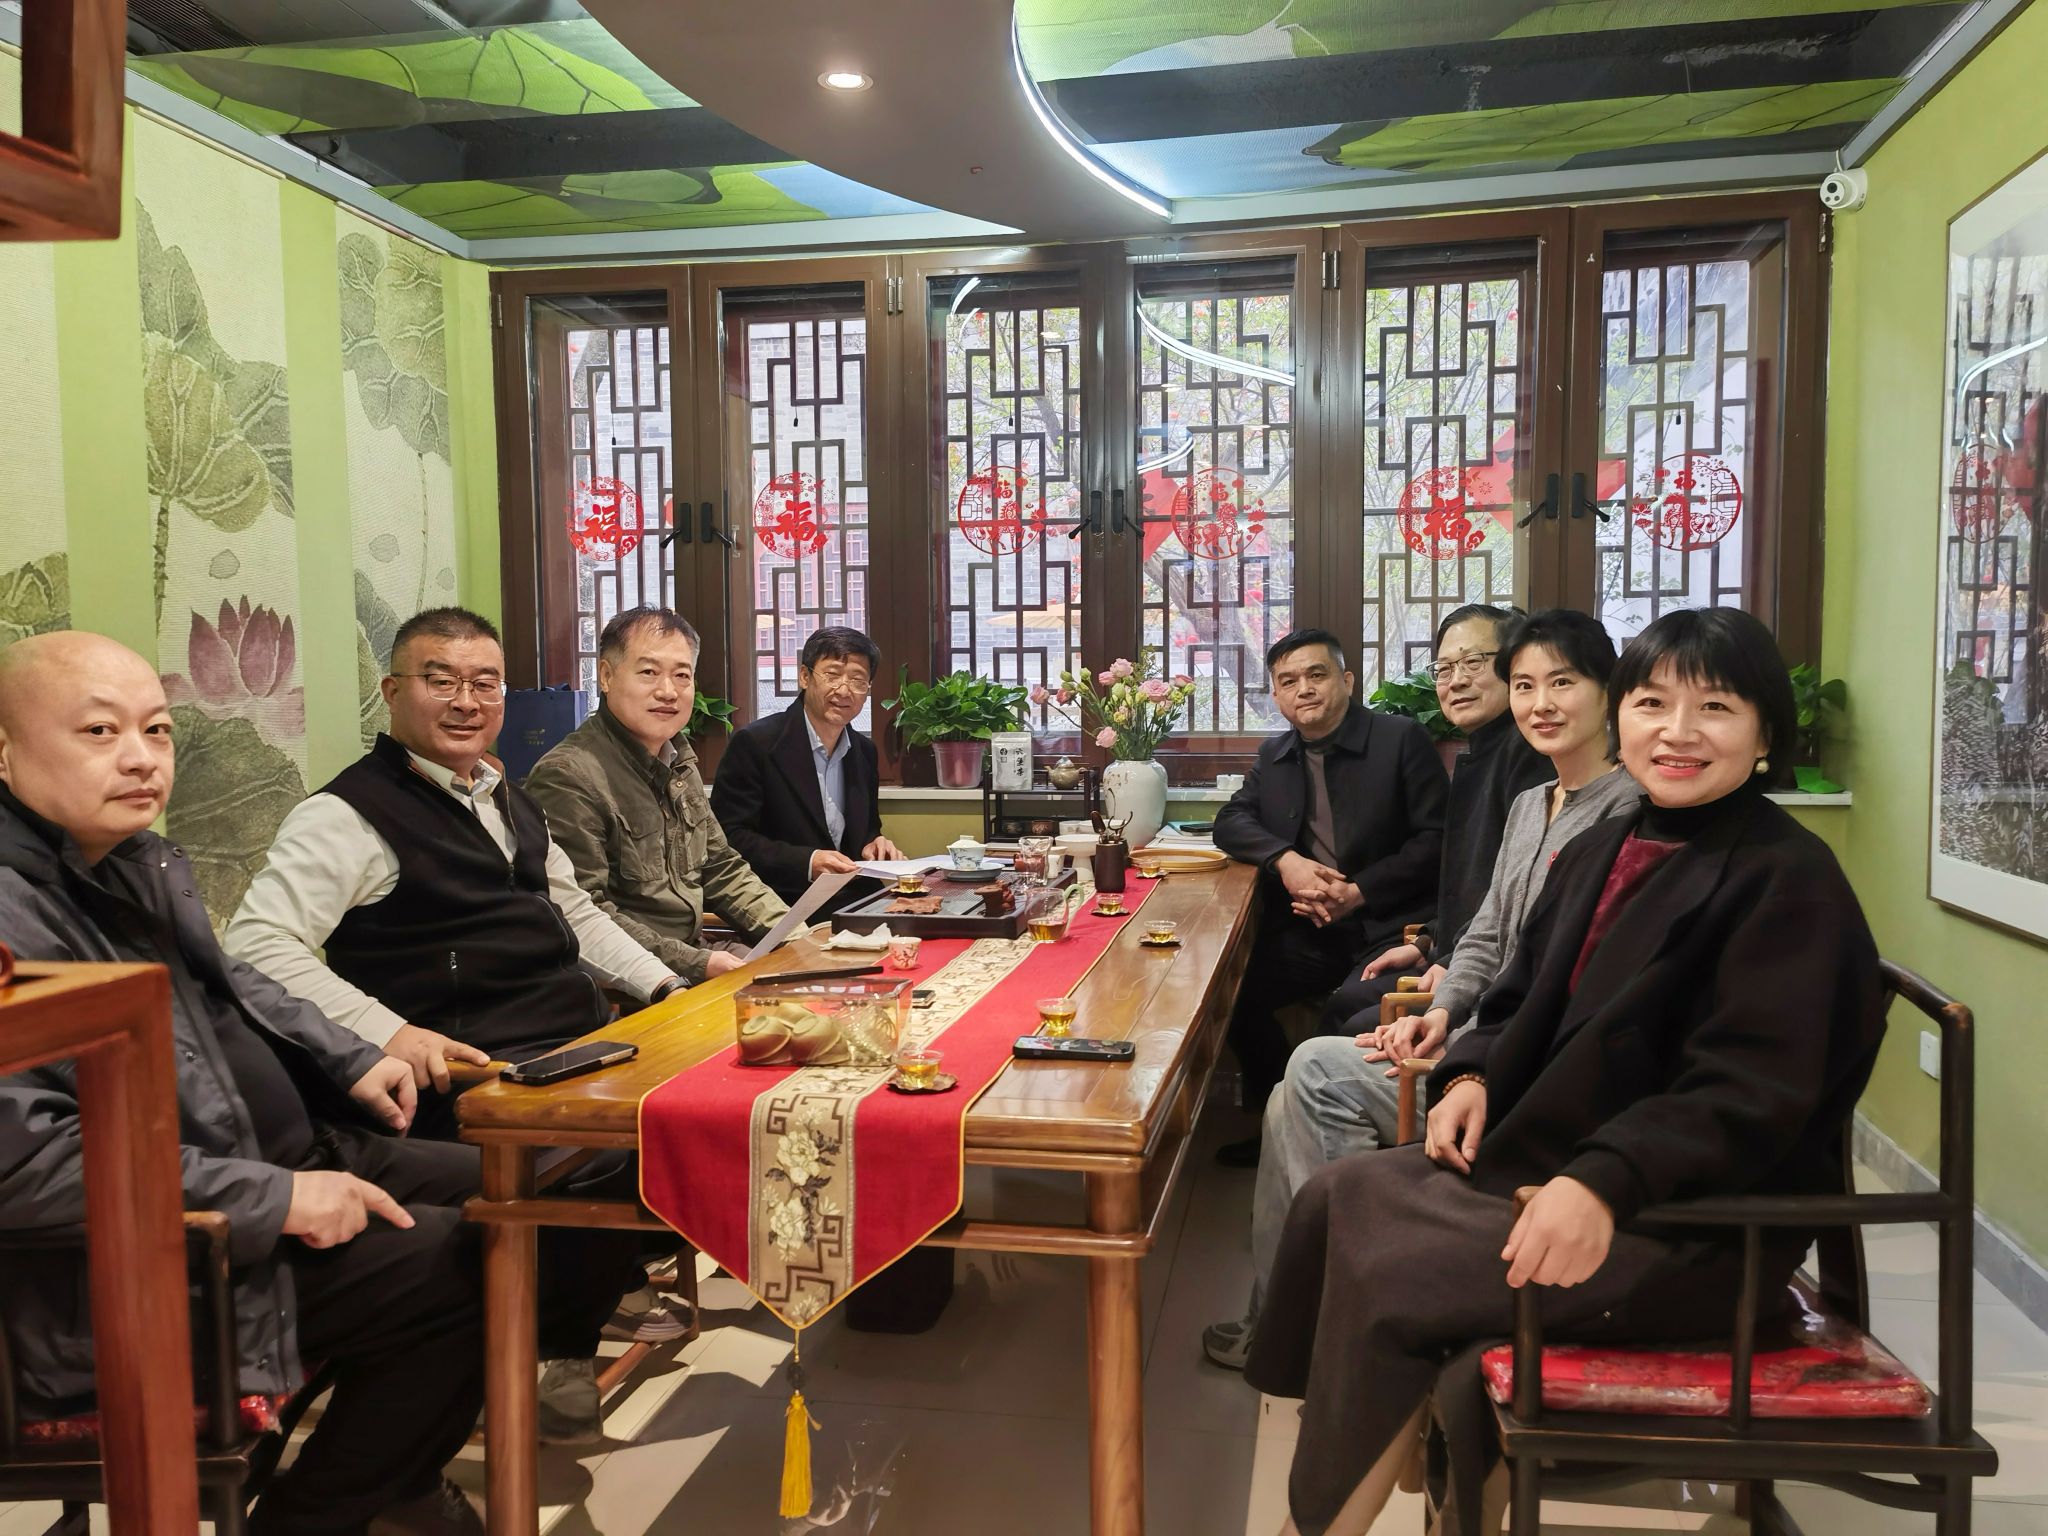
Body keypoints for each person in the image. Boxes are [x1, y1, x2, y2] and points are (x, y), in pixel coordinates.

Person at [1245, 608, 1887, 1536]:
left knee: (1391, 1272)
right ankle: (1389, 1447)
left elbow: (1750, 1092)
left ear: (1765, 737)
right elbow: (1518, 992)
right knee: (1338, 1197)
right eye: (1653, 703)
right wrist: (1471, 1075)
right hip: (1557, 1161)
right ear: (1624, 717)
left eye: (1714, 707)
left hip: (1685, 1223)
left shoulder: (1789, 880)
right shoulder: (1608, 844)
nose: (1677, 731)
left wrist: (1602, 1181)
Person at [0, 632, 505, 1535]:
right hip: (146, 1265)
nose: (140, 758)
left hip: (272, 1158)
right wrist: (279, 1199)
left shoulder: (127, 863)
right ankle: (325, 1511)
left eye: (156, 730)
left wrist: (352, 1055)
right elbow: (25, 1167)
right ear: (5, 751)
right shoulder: (13, 914)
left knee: (522, 1193)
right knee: (472, 1259)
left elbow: (235, 984)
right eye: (100, 731)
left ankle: (391, 1469)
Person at [224, 606, 690, 1441]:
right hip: (473, 1070)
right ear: (392, 690)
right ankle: (553, 1345)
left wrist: (664, 987)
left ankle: (581, 1297)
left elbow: (575, 911)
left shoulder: (503, 794)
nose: (466, 701)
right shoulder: (347, 814)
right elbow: (256, 946)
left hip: (574, 1045)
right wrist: (388, 1033)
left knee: (692, 1115)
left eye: (485, 683)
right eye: (441, 681)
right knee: (613, 1149)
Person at [1203, 610, 1633, 1369]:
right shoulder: (1534, 801)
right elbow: (1491, 932)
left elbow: (1545, 966)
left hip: (1490, 1038)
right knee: (1261, 1036)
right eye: (1526, 684)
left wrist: (1455, 1027)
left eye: (1561, 683)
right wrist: (1441, 1004)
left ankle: (1336, 1320)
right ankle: (1292, 1316)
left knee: (1317, 1064)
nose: (1539, 703)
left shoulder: (1627, 817)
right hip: (1434, 993)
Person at [1212, 628, 1448, 1159]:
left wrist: (1360, 891)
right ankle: (1276, 1123)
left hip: (1393, 927)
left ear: (1346, 680)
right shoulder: (1275, 754)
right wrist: (1287, 861)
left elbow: (1438, 840)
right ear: (1277, 695)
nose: (1304, 689)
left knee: (1347, 1009)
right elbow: (1230, 821)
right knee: (1234, 994)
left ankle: (1339, 1132)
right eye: (1288, 681)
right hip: (1316, 929)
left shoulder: (1400, 739)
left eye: (1317, 674)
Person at [1317, 603, 1551, 1034]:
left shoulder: (1530, 758)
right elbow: (1475, 886)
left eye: (1473, 662)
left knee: (1351, 1022)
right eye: (1444, 669)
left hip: (1494, 972)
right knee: (1346, 999)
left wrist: (1451, 960)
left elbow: (1517, 899)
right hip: (1454, 948)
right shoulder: (1484, 751)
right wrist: (1428, 940)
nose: (1456, 680)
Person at [526, 605, 787, 983]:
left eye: (682, 675)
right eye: (648, 672)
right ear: (606, 676)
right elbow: (584, 915)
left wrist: (793, 934)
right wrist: (696, 963)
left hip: (699, 956)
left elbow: (721, 868)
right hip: (637, 983)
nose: (668, 691)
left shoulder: (679, 761)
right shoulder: (567, 776)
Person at [711, 626, 902, 910]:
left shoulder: (864, 751)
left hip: (854, 902)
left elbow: (867, 830)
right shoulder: (756, 743)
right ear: (804, 676)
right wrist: (808, 862)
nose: (844, 690)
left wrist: (875, 843)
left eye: (857, 680)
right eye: (832, 675)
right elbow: (728, 837)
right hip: (782, 903)